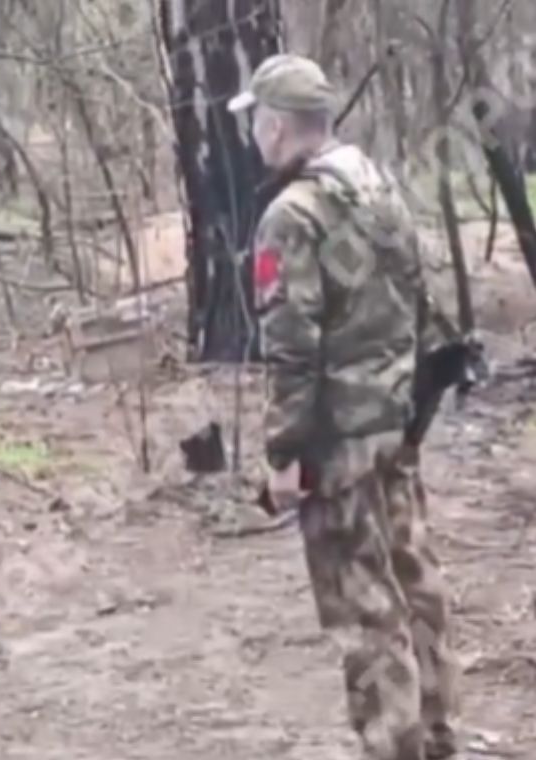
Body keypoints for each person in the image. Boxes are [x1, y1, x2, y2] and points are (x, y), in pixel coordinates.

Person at [229, 54, 461, 760]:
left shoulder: (290, 216)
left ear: (274, 127)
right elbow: (422, 305)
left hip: (337, 442)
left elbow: (292, 351)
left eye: (255, 125)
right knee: (414, 577)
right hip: (393, 422)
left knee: (363, 608)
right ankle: (435, 731)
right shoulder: (378, 188)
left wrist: (283, 457)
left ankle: (394, 745)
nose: (253, 139)